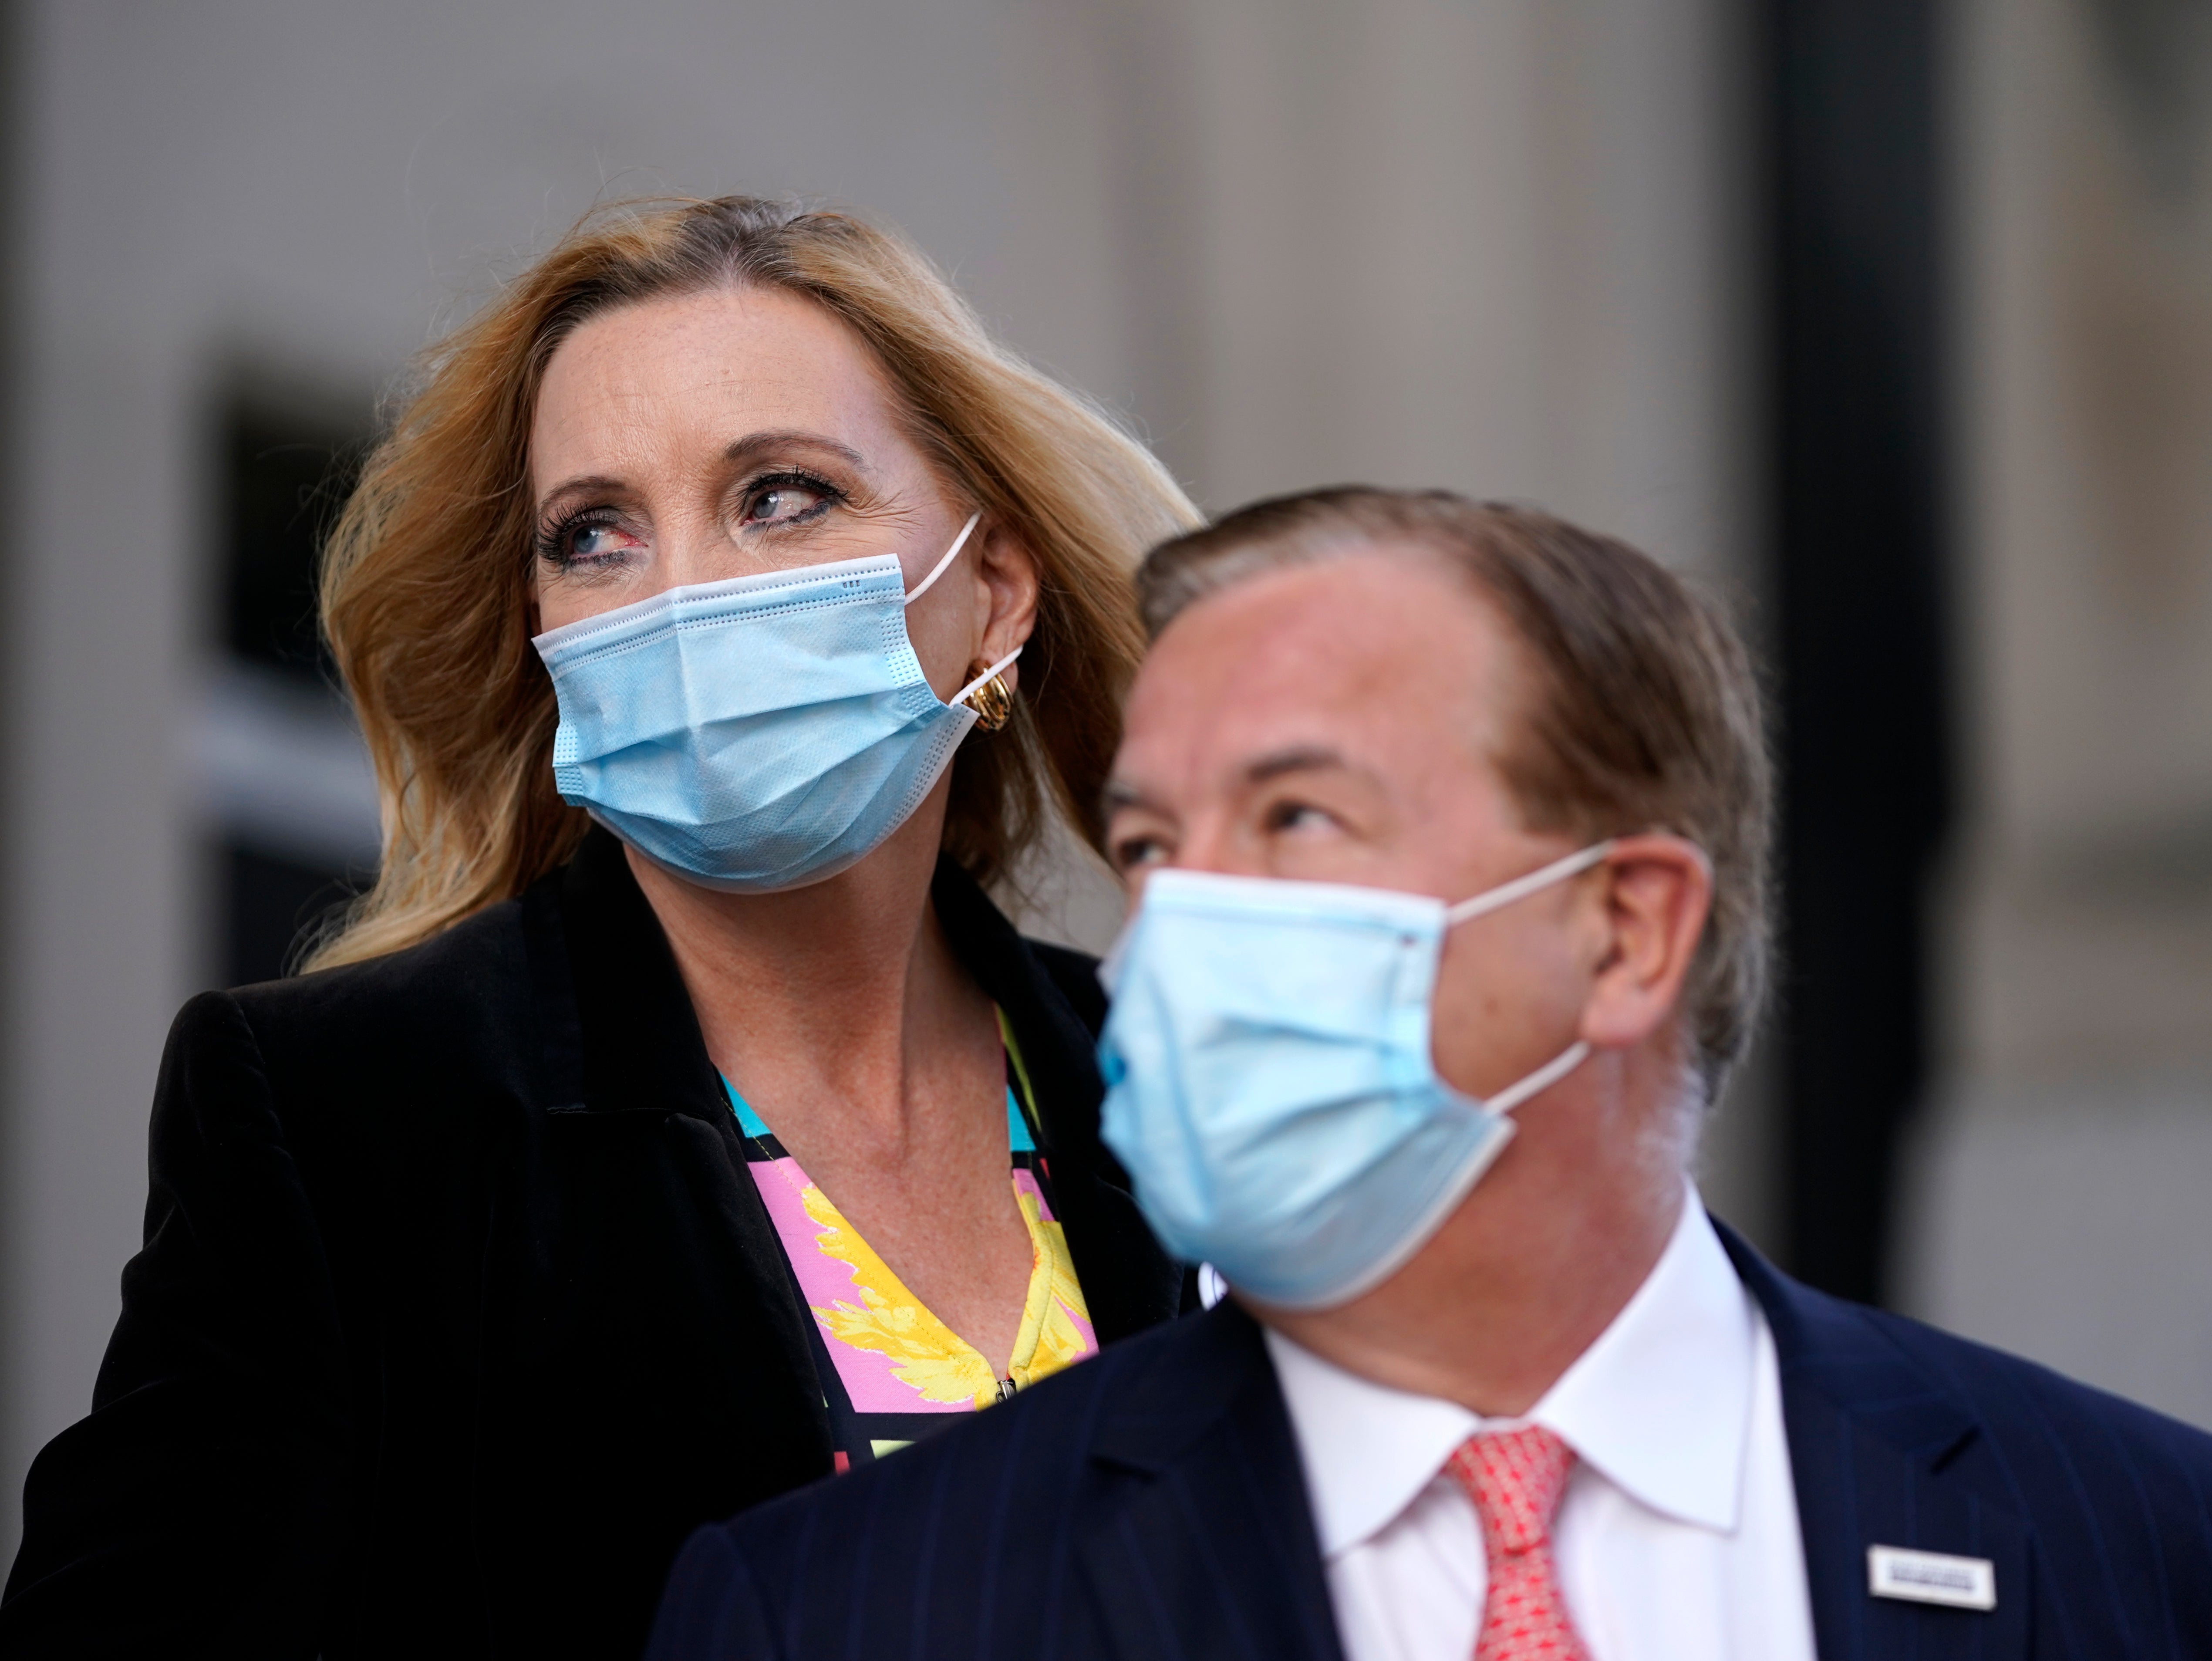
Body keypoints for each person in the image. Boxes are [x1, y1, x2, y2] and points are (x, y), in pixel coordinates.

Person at [647, 487, 2212, 1661]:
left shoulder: (2145, 1548)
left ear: (1623, 933)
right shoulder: (849, 1611)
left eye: (1297, 819)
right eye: (1153, 845)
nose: (1177, 927)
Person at [0, 197, 1199, 1658]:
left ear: (995, 592)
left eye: (782, 497)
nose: (684, 595)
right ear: (541, 625)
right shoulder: (353, 1116)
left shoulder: (1179, 1078)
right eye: (595, 535)